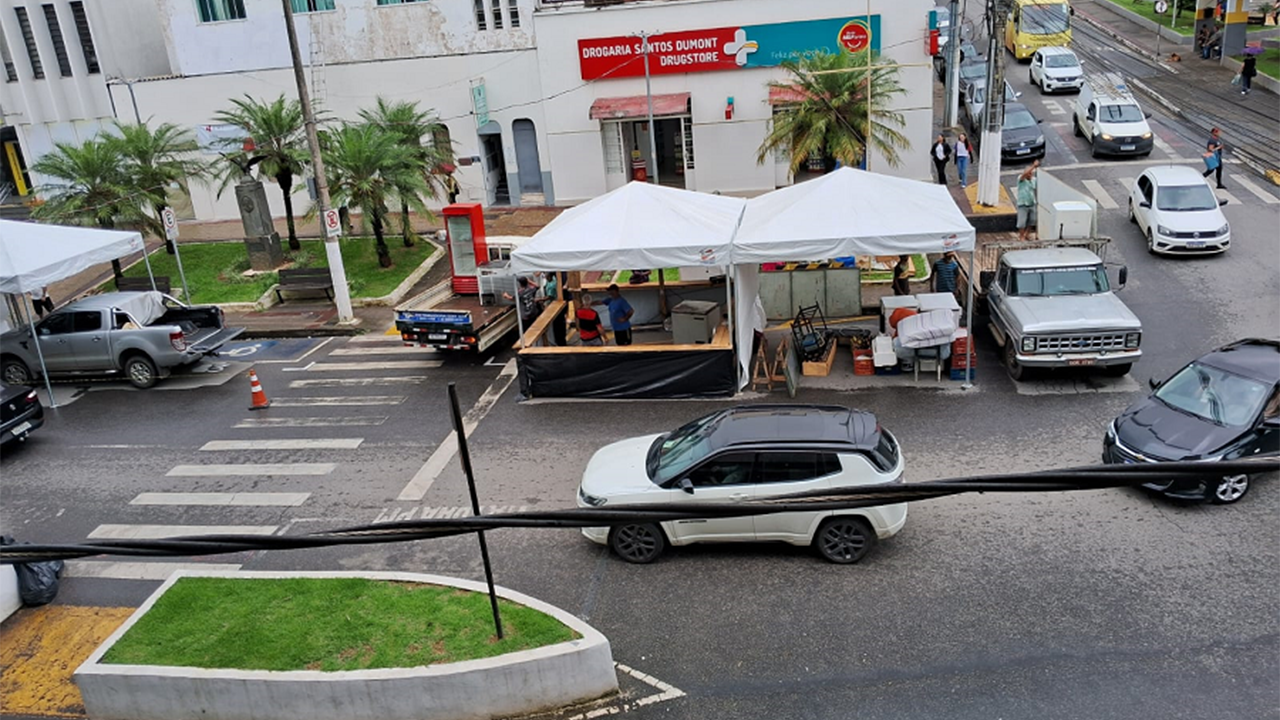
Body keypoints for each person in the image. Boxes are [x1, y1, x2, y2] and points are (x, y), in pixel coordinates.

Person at [1016, 160, 1039, 242]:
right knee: (1021, 222)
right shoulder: (1021, 179)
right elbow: (1024, 175)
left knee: (1032, 220)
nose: (1030, 175)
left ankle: (1027, 234)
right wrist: (1033, 166)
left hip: (1031, 203)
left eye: (1031, 173)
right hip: (1023, 203)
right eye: (1029, 173)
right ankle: (1021, 236)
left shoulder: (1034, 180)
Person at [542, 273, 566, 346]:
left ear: (549, 276)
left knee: (557, 326)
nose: (545, 276)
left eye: (546, 275)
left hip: (553, 307)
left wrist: (539, 299)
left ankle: (558, 343)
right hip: (553, 305)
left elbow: (550, 296)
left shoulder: (552, 284)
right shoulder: (552, 281)